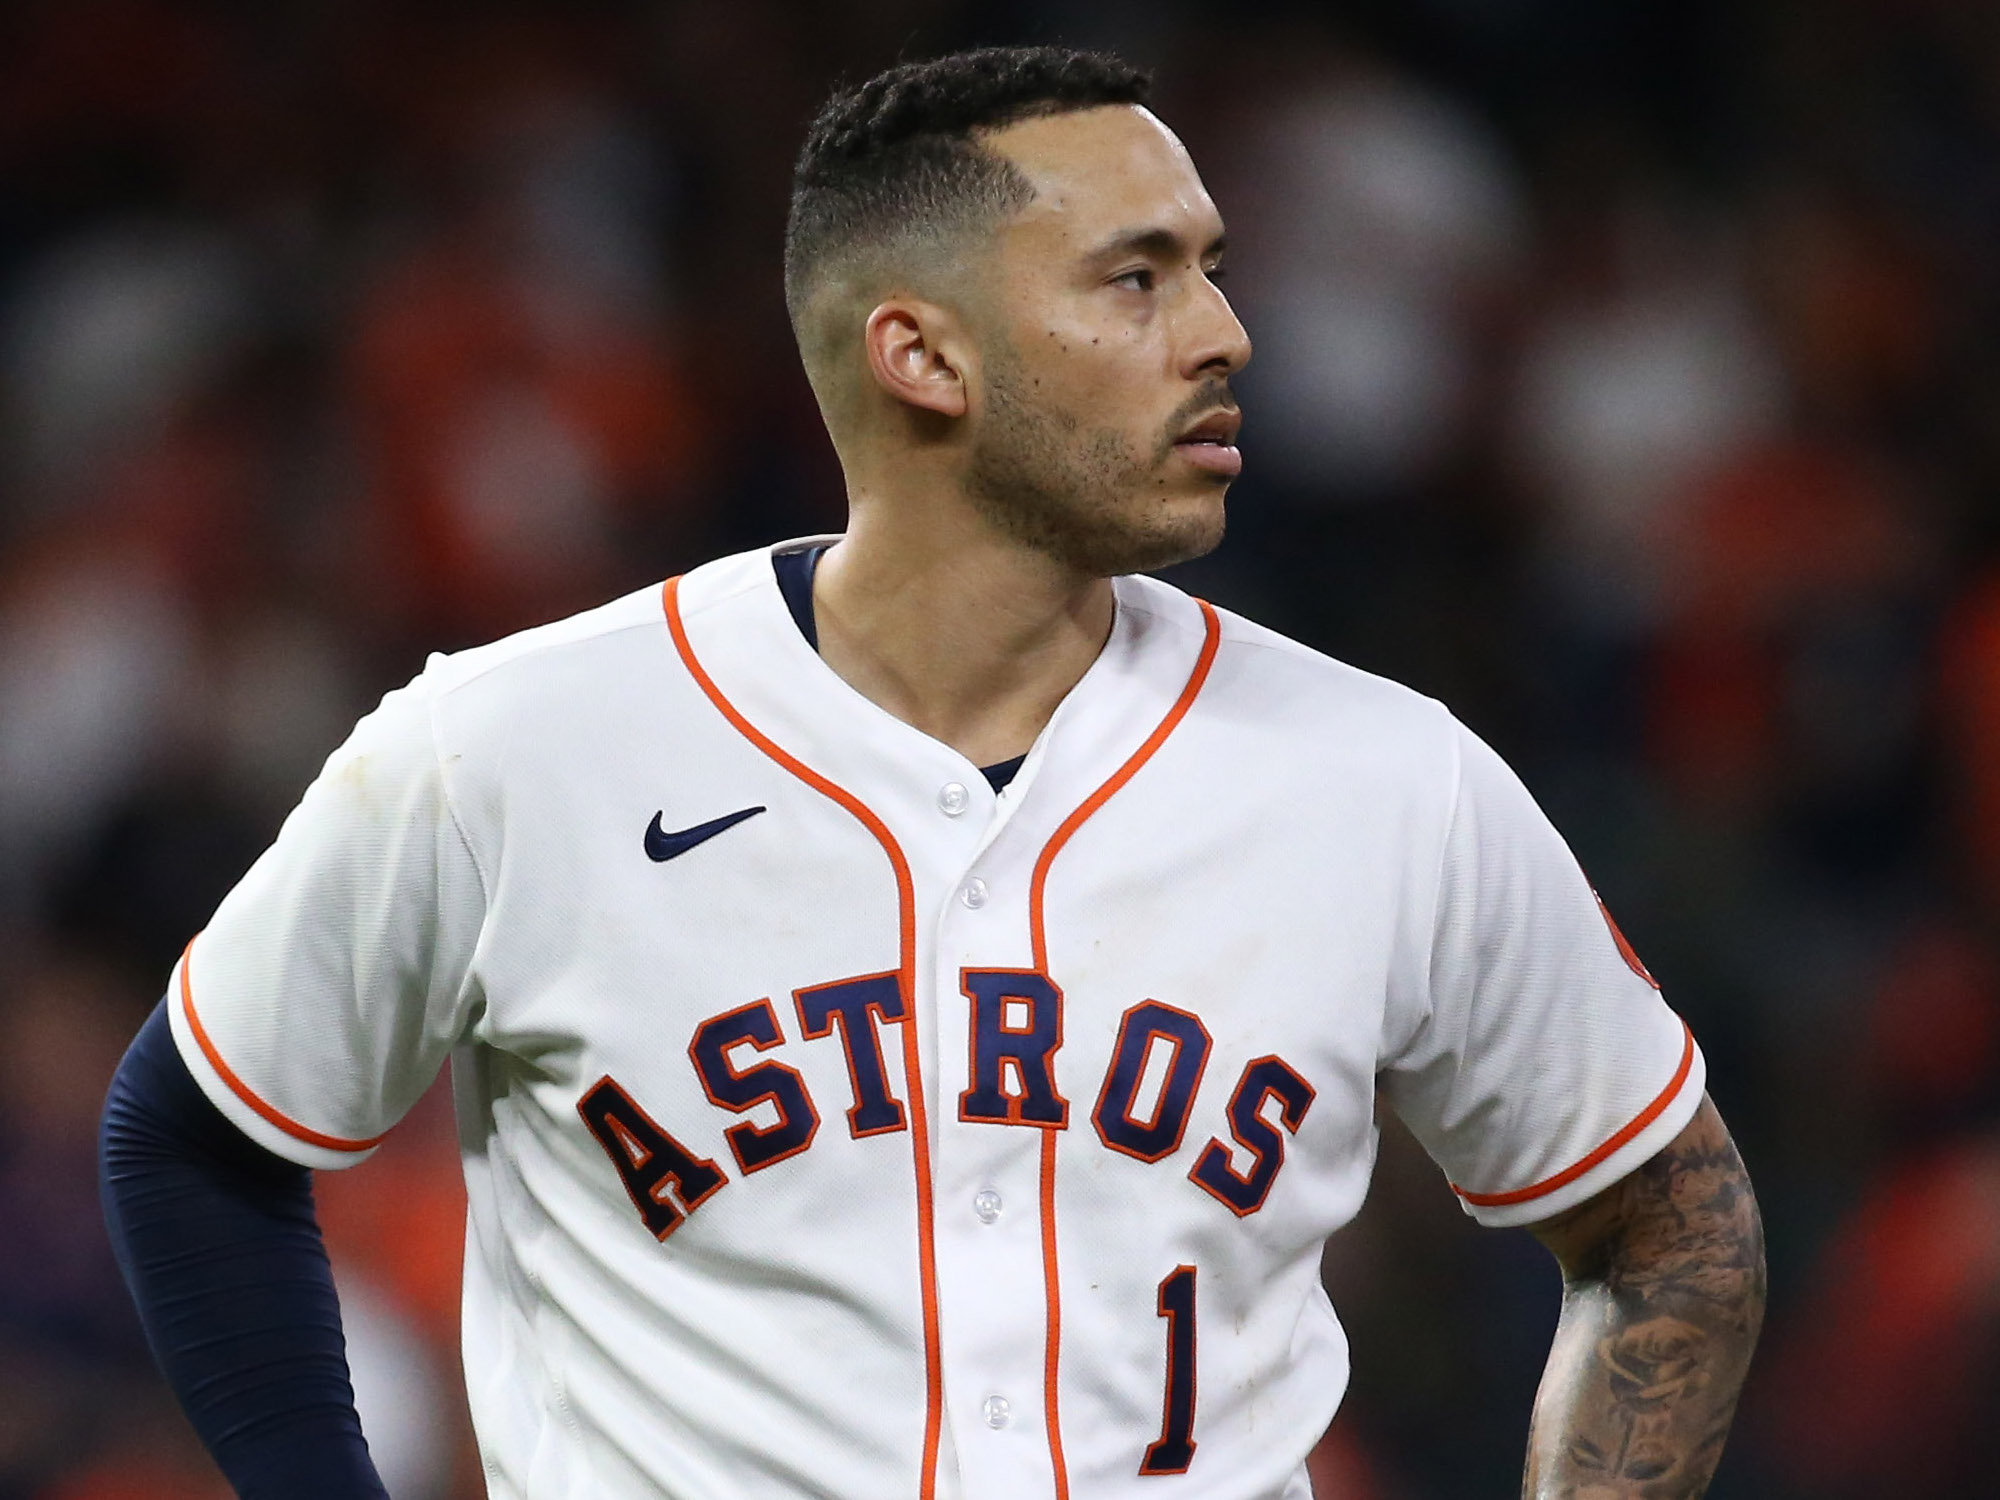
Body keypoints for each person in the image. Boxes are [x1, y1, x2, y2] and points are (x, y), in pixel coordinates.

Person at [100, 45, 1765, 1499]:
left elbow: (1672, 1229)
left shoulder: (1392, 779)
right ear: (923, 356)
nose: (1226, 332)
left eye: (1213, 268)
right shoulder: (515, 751)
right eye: (1138, 279)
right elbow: (193, 1136)